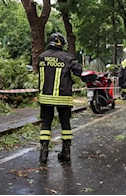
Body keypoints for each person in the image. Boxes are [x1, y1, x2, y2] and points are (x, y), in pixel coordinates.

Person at [37, 32, 83, 164]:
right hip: (63, 97)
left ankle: (43, 154)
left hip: (45, 97)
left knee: (46, 124)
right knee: (65, 124)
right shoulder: (67, 58)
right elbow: (79, 71)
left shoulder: (41, 57)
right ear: (61, 44)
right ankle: (66, 152)